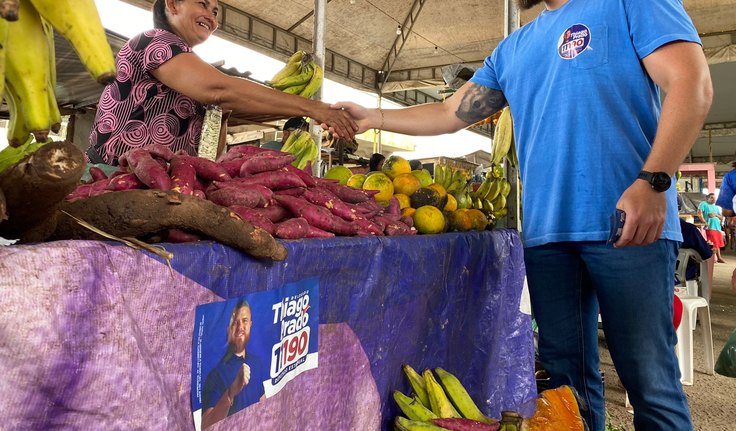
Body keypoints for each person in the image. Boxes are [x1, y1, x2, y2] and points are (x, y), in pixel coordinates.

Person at [332, 1, 712, 429]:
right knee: (565, 388)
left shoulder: (629, 3)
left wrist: (653, 181)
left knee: (650, 383)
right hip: (547, 237)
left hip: (630, 225)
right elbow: (448, 112)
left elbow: (691, 82)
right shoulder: (512, 49)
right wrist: (374, 116)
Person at [85, 0, 356, 166]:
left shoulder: (188, 67)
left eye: (215, 11)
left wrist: (317, 112)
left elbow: (213, 142)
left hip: (157, 186)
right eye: (202, 4)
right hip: (112, 177)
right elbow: (220, 89)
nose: (212, 18)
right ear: (172, 4)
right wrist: (313, 108)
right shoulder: (153, 41)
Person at [202, 300, 266, 429]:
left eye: (245, 320)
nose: (240, 326)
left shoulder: (257, 363)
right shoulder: (216, 374)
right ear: (229, 329)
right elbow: (205, 426)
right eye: (235, 322)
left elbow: (263, 403)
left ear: (251, 324)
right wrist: (231, 392)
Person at [697, 193, 726, 263]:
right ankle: (712, 257)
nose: (714, 199)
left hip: (717, 227)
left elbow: (721, 217)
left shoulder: (716, 207)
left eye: (714, 198)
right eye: (712, 198)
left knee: (717, 243)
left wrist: (715, 214)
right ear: (707, 198)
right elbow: (699, 213)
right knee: (713, 243)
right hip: (710, 227)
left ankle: (717, 257)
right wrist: (704, 221)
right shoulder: (703, 204)